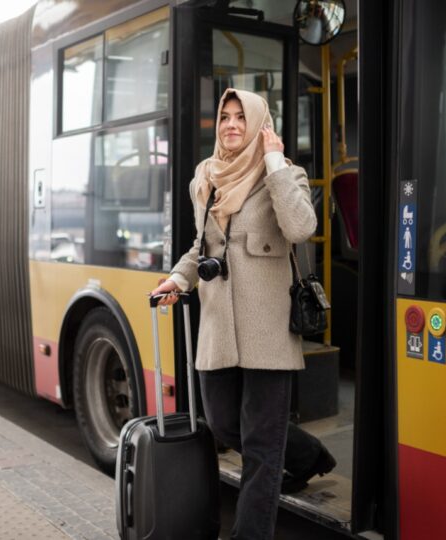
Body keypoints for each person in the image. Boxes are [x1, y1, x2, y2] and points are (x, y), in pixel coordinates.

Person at [151, 88, 335, 540]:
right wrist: (178, 279)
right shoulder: (206, 177)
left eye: (241, 117)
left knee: (260, 447)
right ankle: (309, 457)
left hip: (268, 332)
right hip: (218, 329)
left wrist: (273, 163)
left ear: (258, 124)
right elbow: (201, 248)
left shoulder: (286, 173)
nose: (231, 125)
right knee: (224, 423)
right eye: (224, 117)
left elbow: (300, 228)